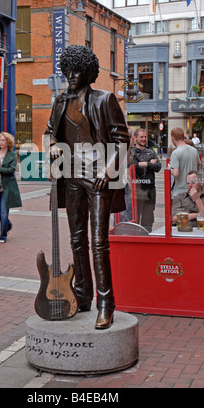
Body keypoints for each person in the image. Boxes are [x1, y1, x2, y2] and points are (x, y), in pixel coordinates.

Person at [45, 45, 129, 329]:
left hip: (98, 177)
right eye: (67, 69)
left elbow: (122, 139)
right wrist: (54, 144)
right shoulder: (59, 101)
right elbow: (48, 133)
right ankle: (82, 295)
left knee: (98, 243)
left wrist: (108, 168)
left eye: (77, 70)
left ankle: (106, 303)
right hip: (71, 177)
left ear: (89, 72)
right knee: (76, 241)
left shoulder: (104, 100)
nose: (71, 75)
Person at [129, 128, 161, 232]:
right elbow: (132, 167)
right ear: (135, 137)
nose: (144, 139)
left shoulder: (151, 151)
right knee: (134, 219)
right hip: (136, 190)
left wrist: (146, 164)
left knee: (148, 219)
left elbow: (158, 167)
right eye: (141, 137)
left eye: (145, 137)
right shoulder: (131, 152)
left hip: (150, 191)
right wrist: (150, 163)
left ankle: (146, 240)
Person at [170, 127, 200, 198]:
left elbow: (176, 173)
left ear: (172, 138)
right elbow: (199, 167)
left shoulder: (175, 153)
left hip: (180, 192)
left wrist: (170, 169)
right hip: (193, 191)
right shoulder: (194, 150)